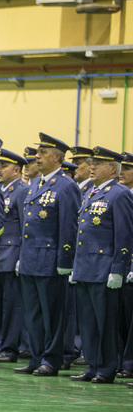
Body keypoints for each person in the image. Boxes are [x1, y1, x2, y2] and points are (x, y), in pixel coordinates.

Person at [14, 133, 81, 378]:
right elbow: (28, 226)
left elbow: (68, 227)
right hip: (31, 259)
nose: (36, 157)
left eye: (42, 153)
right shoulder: (35, 183)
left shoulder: (66, 186)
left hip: (51, 262)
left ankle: (51, 360)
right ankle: (36, 356)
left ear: (56, 157)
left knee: (51, 314)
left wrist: (65, 261)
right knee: (32, 314)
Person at [70, 147, 133, 384]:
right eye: (92, 163)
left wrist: (118, 269)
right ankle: (93, 364)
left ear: (112, 168)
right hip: (86, 267)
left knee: (105, 323)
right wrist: (76, 265)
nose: (92, 166)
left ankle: (107, 368)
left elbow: (124, 235)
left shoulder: (119, 194)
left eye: (98, 163)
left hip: (104, 269)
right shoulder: (90, 192)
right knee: (88, 323)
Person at [0, 149, 27, 364]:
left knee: (12, 306)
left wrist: (21, 256)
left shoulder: (20, 191)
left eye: (4, 166)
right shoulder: (1, 190)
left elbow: (24, 226)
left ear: (16, 170)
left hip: (11, 255)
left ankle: (10, 348)